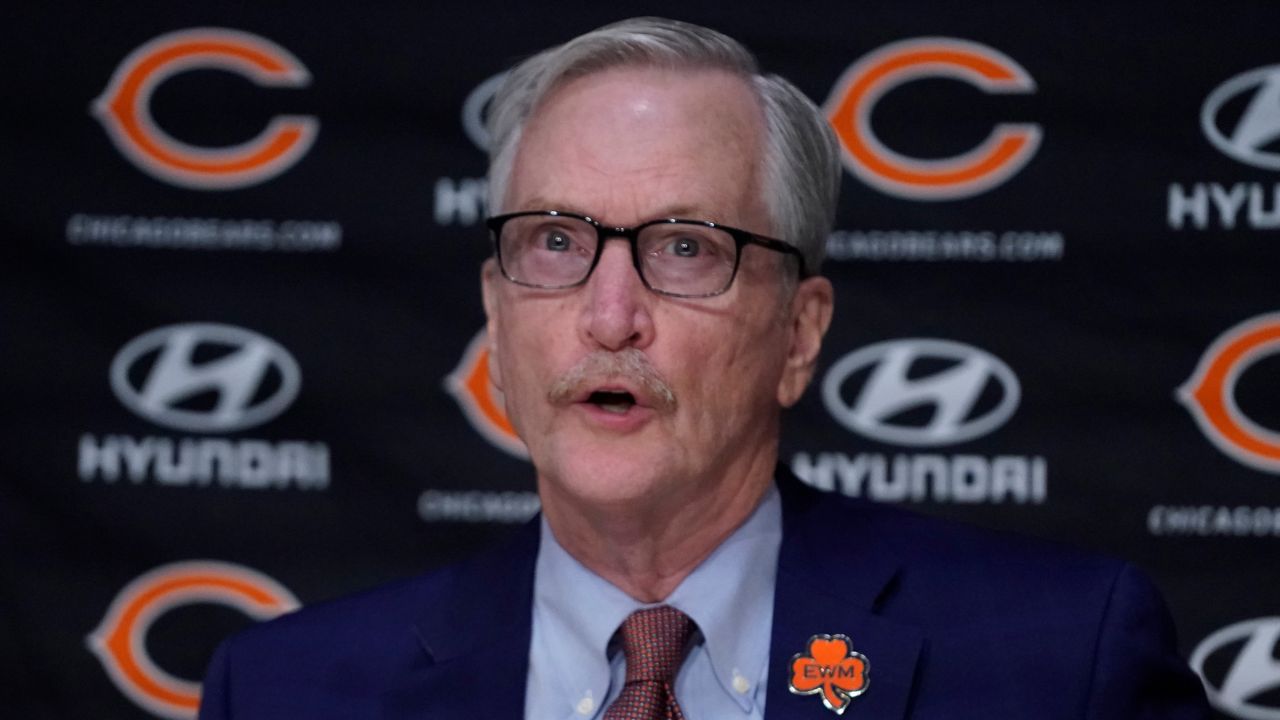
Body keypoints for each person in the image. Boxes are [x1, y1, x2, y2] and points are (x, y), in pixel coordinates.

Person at [198, 17, 1209, 719]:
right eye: (554, 242)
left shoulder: (1057, 663)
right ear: (496, 317)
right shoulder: (286, 690)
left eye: (684, 248)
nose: (609, 316)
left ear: (799, 334)